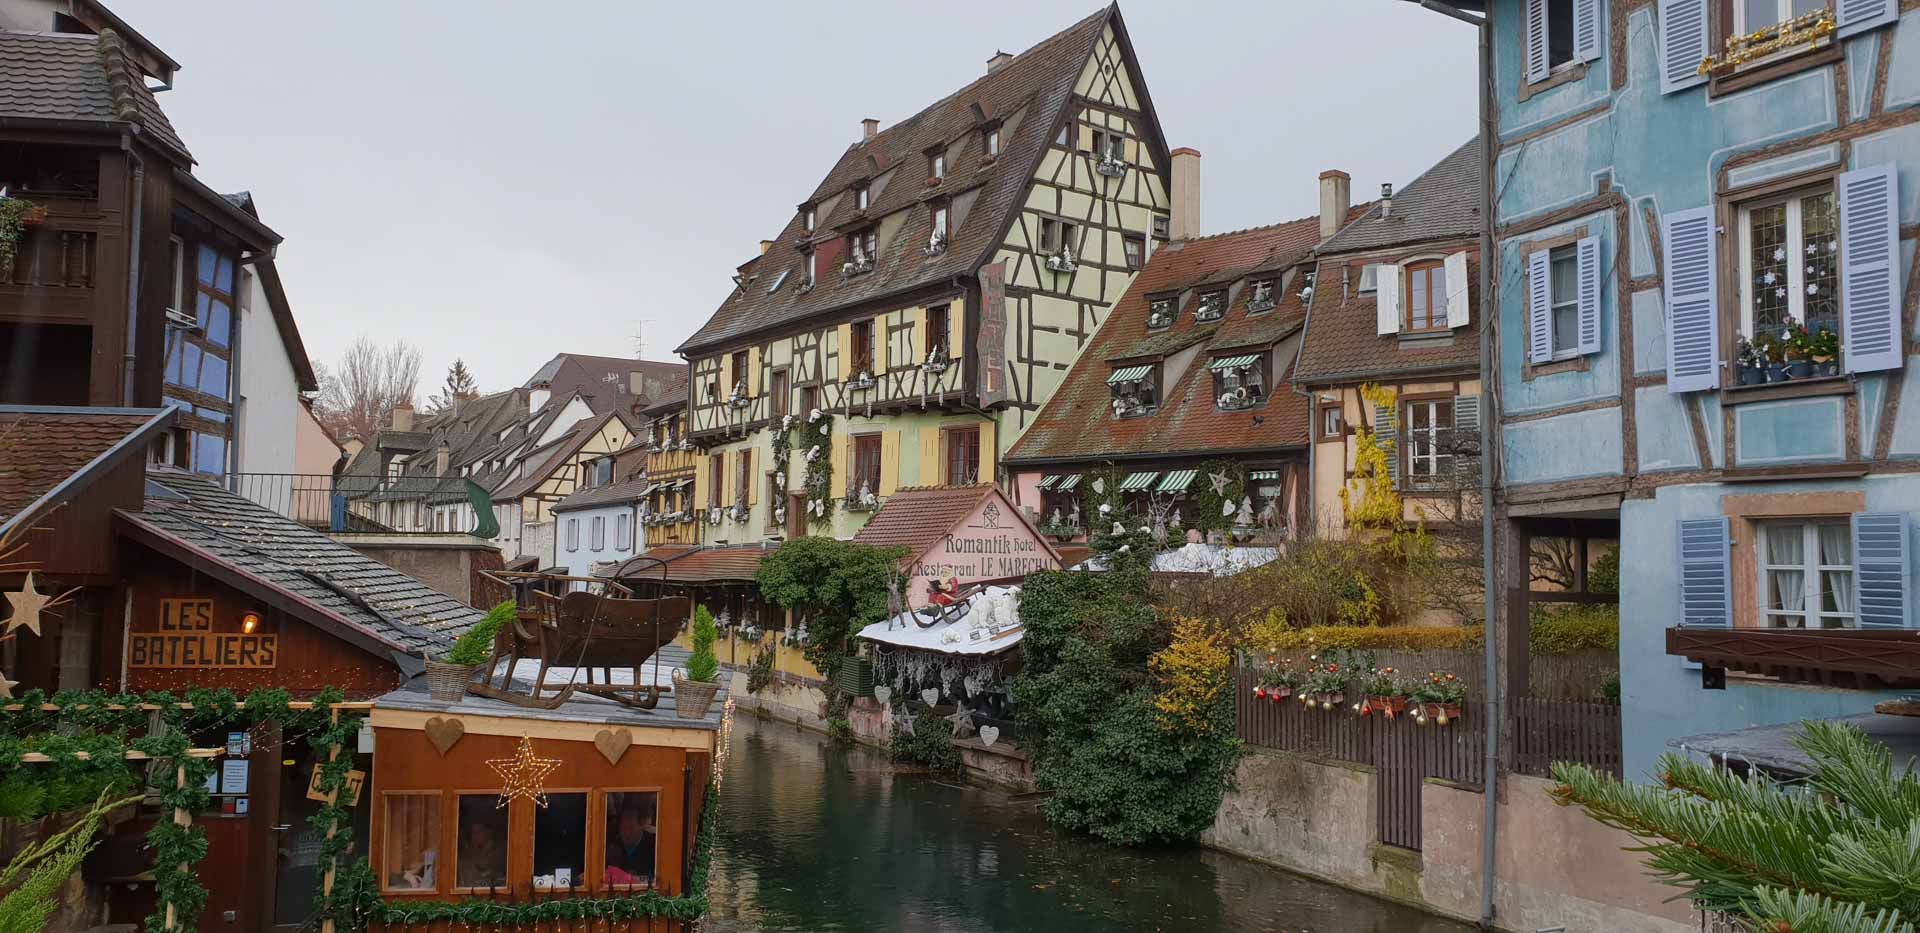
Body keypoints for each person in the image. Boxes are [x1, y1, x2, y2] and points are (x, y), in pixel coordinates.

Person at [603, 804, 655, 885]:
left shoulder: (654, 845)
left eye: (631, 828)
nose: (627, 833)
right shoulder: (612, 847)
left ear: (641, 826)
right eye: (623, 828)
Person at [457, 819, 505, 889]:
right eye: (473, 833)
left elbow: (484, 867)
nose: (474, 836)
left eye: (478, 832)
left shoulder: (499, 850)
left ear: (489, 832)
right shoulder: (471, 850)